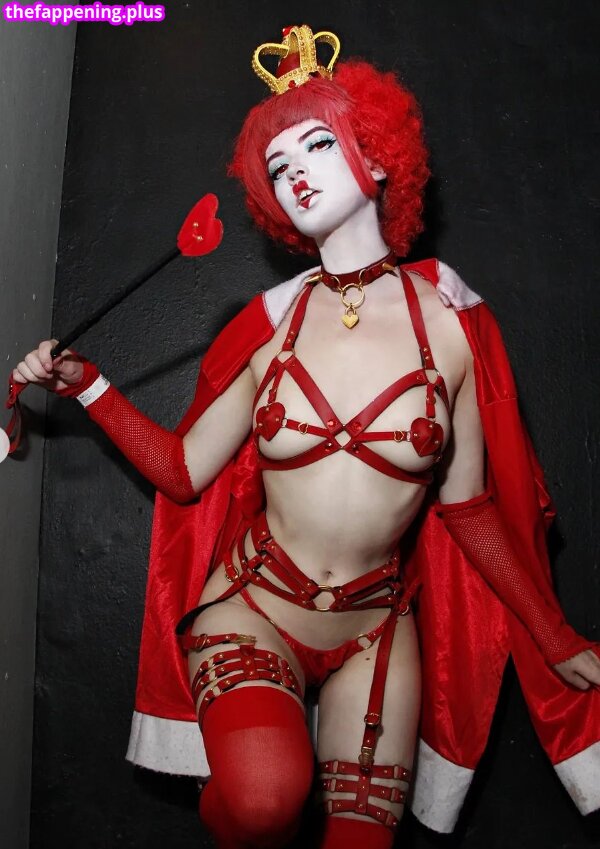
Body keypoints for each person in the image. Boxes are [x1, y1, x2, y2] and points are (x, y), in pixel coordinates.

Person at [13, 24, 600, 849]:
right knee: (262, 802)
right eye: (277, 165)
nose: (295, 173)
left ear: (380, 159)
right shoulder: (268, 325)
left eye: (318, 145)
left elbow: (470, 510)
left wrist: (554, 634)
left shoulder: (454, 327)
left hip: (376, 631)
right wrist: (89, 385)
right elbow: (182, 472)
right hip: (255, 607)